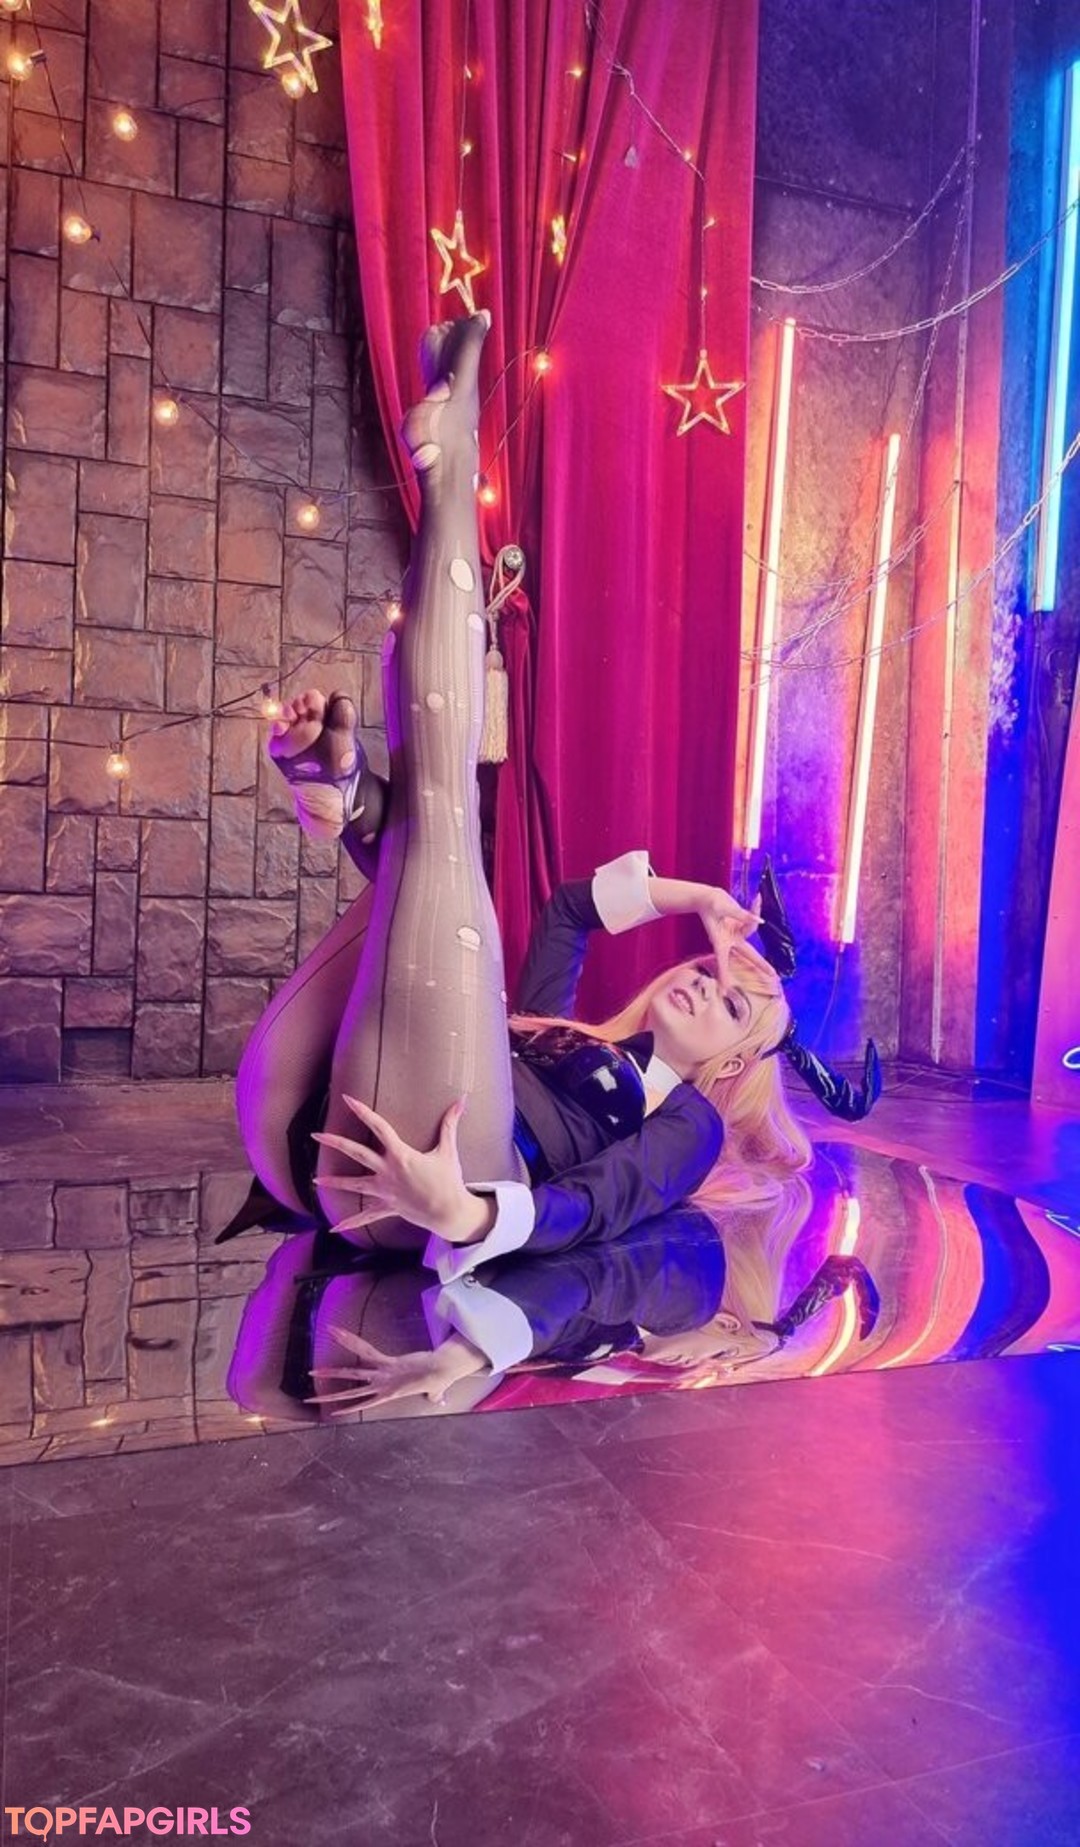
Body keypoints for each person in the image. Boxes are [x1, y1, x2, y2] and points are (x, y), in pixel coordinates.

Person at [228, 311, 875, 1419]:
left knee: (445, 846)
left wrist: (472, 1220)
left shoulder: (685, 1128)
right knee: (432, 873)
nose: (703, 980)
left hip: (414, 1188)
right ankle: (348, 793)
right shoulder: (563, 1028)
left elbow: (601, 1210)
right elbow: (571, 910)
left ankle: (449, 481)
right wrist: (696, 895)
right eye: (713, 968)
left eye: (731, 1005)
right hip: (313, 1110)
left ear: (732, 1063)